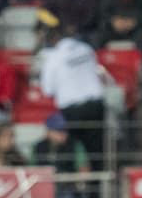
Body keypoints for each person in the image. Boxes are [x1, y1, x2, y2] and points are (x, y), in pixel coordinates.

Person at [38, 10, 107, 172]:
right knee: (97, 154)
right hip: (96, 106)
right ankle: (96, 194)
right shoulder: (86, 49)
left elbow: (47, 90)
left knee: (73, 152)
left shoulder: (53, 57)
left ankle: (77, 190)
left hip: (72, 111)